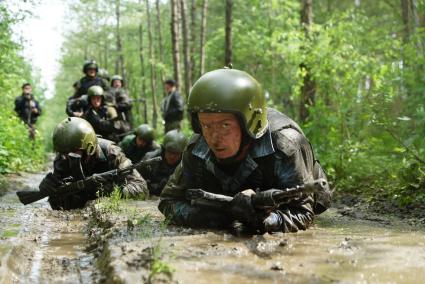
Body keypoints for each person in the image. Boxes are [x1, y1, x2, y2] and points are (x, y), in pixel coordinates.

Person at [158, 68, 331, 234]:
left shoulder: (285, 145)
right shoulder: (196, 148)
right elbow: (168, 201)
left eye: (225, 125)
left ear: (249, 124)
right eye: (206, 125)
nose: (214, 138)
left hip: (291, 196)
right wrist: (210, 217)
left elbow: (303, 213)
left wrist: (265, 221)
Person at [38, 117, 148, 210]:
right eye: (63, 153)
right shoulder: (62, 160)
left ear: (89, 149)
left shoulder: (111, 154)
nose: (66, 158)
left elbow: (142, 189)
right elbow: (60, 207)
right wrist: (52, 192)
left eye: (72, 153)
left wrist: (112, 192)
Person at [138, 130, 187, 196]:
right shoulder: (149, 160)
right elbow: (136, 179)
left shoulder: (186, 165)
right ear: (164, 149)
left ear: (182, 153)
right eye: (170, 152)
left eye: (176, 153)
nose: (172, 156)